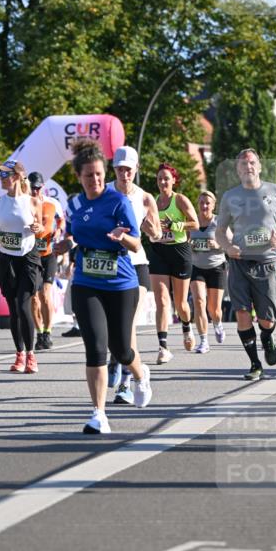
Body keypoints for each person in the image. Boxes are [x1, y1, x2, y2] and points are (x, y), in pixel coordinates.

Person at [54, 138, 152, 434]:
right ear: (78, 177)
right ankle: (98, 414)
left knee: (122, 349)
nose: (95, 180)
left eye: (98, 174)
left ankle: (140, 374)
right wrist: (64, 244)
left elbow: (136, 244)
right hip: (86, 281)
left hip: (121, 282)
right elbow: (72, 234)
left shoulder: (118, 201)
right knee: (95, 348)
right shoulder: (73, 204)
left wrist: (122, 237)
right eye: (88, 175)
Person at [215, 148, 276, 381]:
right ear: (237, 170)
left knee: (267, 319)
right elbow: (219, 231)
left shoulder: (275, 191)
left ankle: (267, 337)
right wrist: (228, 248)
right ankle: (255, 363)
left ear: (259, 167)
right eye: (243, 164)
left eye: (252, 163)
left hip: (267, 262)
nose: (248, 167)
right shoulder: (230, 197)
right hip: (239, 263)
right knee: (242, 313)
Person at [107, 146, 162, 404]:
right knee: (110, 327)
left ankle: (126, 384)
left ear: (136, 169)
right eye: (120, 168)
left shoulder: (145, 198)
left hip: (137, 266)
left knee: (128, 328)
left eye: (128, 169)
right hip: (110, 265)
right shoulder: (104, 193)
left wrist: (151, 228)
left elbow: (157, 235)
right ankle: (114, 357)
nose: (124, 173)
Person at [0, 158, 46, 374]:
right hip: (7, 258)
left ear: (18, 176)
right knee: (13, 309)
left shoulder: (33, 202)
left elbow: (40, 228)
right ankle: (19, 354)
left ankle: (31, 355)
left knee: (23, 305)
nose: (1, 178)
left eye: (5, 174)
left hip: (28, 257)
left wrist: (38, 227)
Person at [148, 163, 199, 363]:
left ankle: (187, 326)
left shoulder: (180, 200)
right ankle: (163, 347)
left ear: (173, 180)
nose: (163, 182)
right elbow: (144, 223)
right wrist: (147, 227)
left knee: (181, 304)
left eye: (166, 178)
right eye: (160, 178)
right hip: (159, 251)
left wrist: (175, 225)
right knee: (161, 300)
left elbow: (195, 223)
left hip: (179, 252)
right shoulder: (151, 201)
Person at [28, 171, 65, 350]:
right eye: (32, 188)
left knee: (46, 294)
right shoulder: (24, 204)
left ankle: (48, 332)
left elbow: (62, 220)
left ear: (42, 187)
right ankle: (40, 332)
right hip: (31, 255)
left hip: (48, 254)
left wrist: (59, 230)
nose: (34, 191)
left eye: (37, 188)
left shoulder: (52, 203)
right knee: (34, 298)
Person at [189, 190, 227, 353]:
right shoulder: (192, 222)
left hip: (217, 267)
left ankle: (217, 324)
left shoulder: (219, 222)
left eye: (207, 203)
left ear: (213, 205)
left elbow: (230, 243)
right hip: (196, 267)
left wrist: (218, 245)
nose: (204, 206)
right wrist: (189, 245)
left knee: (215, 310)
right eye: (201, 202)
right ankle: (203, 340)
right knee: (198, 302)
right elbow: (183, 240)